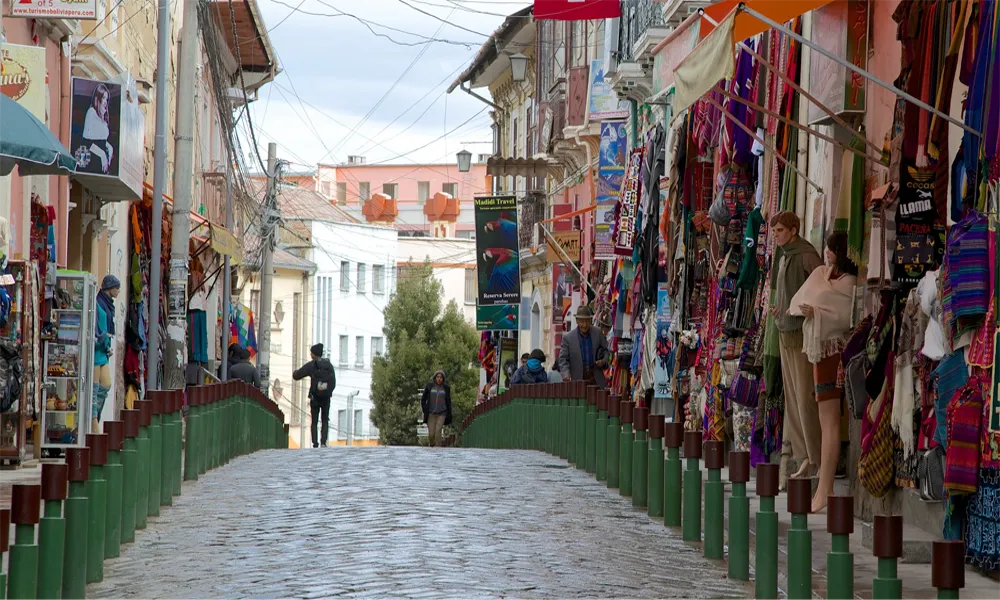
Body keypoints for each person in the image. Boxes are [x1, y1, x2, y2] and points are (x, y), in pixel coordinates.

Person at [788, 232, 858, 512]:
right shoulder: (821, 273)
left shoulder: (849, 283)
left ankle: (825, 488)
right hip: (819, 353)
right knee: (824, 419)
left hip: (833, 354)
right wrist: (811, 311)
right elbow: (799, 299)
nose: (827, 253)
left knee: (829, 422)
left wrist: (816, 312)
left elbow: (844, 317)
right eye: (827, 248)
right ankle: (823, 486)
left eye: (831, 249)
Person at [769, 211, 824, 481]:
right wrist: (780, 310)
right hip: (784, 331)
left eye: (780, 230)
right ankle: (803, 457)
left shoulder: (805, 254)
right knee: (792, 401)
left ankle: (816, 458)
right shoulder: (784, 256)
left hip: (801, 335)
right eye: (774, 231)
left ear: (793, 230)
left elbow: (822, 287)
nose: (776, 235)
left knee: (805, 399)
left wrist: (809, 310)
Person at [293, 343, 337, 448]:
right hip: (326, 397)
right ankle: (323, 442)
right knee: (325, 420)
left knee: (314, 421)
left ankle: (315, 443)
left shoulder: (312, 365)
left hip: (315, 397)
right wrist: (328, 392)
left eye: (311, 353)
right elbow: (333, 382)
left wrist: (294, 372)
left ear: (314, 354)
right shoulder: (328, 365)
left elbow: (297, 375)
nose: (310, 354)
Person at [558, 306, 610, 387]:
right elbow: (563, 359)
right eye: (582, 322)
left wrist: (603, 361)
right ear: (577, 321)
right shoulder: (568, 338)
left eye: (587, 321)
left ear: (590, 320)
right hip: (577, 380)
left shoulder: (598, 333)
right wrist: (566, 374)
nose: (585, 325)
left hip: (596, 379)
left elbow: (606, 350)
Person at [93, 275, 119, 432]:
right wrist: (104, 341)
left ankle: (95, 416)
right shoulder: (98, 304)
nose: (118, 291)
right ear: (110, 288)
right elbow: (98, 329)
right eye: (116, 288)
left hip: (104, 350)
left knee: (106, 384)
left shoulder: (109, 304)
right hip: (97, 350)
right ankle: (93, 423)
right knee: (95, 389)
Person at [82, 84, 114, 174]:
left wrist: (109, 147)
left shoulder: (103, 116)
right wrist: (103, 155)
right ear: (98, 98)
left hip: (102, 162)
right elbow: (87, 142)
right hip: (94, 159)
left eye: (106, 99)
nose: (105, 102)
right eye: (103, 98)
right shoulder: (91, 112)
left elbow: (101, 138)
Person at [420, 371, 452, 447]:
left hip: (442, 413)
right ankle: (432, 445)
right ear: (435, 378)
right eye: (437, 377)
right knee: (431, 434)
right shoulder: (429, 387)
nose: (439, 379)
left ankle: (438, 448)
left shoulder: (446, 388)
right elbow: (423, 399)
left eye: (441, 377)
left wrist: (449, 412)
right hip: (431, 413)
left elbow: (448, 401)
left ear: (443, 379)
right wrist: (425, 409)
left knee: (438, 432)